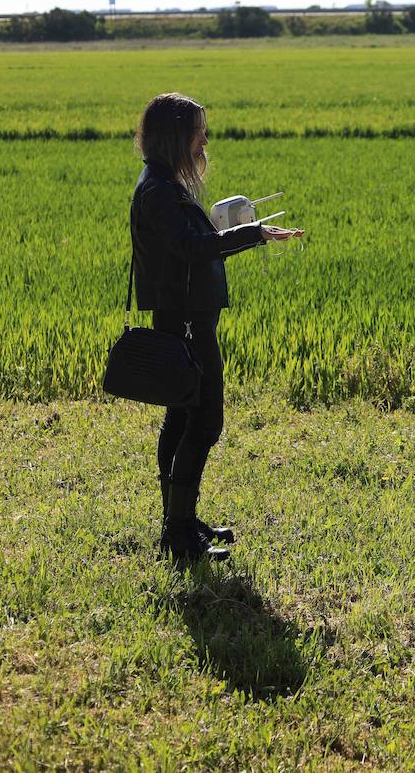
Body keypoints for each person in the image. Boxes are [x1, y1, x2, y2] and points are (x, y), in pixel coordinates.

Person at [130, 93, 302, 563]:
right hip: (185, 322)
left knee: (183, 417)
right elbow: (189, 247)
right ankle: (179, 534)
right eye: (198, 130)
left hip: (186, 316)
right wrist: (255, 233)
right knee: (204, 420)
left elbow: (191, 244)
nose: (205, 138)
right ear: (176, 137)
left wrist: (246, 231)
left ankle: (179, 522)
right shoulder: (160, 191)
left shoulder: (164, 183)